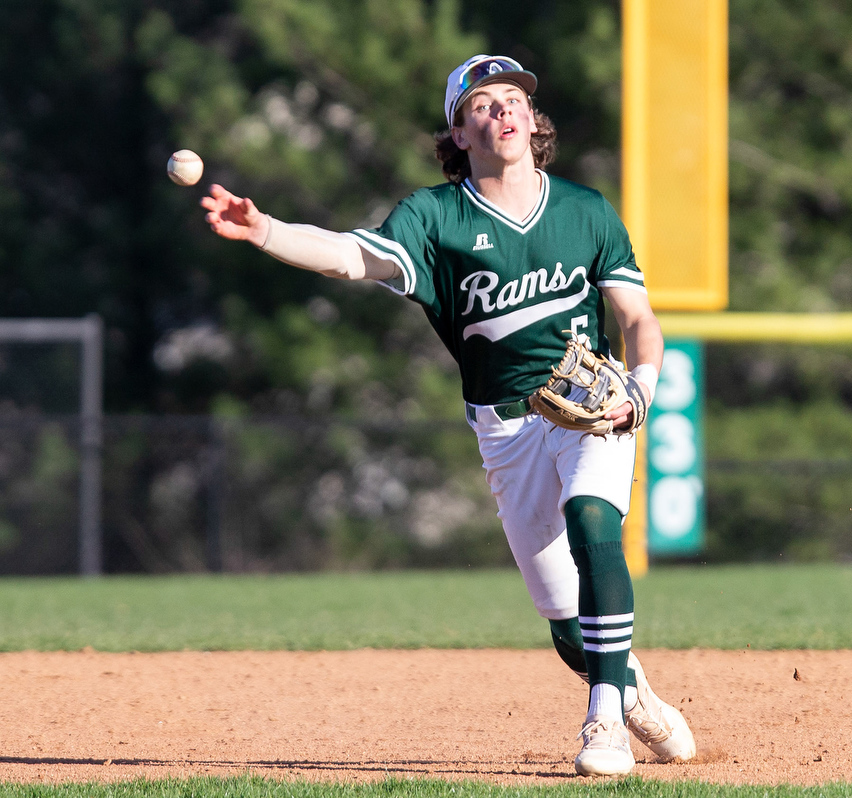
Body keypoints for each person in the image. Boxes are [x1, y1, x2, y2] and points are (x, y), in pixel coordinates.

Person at [201, 53, 696, 777]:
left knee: (596, 522)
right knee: (565, 626)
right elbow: (348, 258)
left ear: (533, 120)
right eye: (482, 106)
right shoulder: (436, 218)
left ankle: (603, 723)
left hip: (594, 406)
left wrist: (641, 392)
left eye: (514, 101)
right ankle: (631, 694)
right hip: (505, 429)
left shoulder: (585, 210)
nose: (503, 112)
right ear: (459, 135)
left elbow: (639, 321)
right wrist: (266, 229)